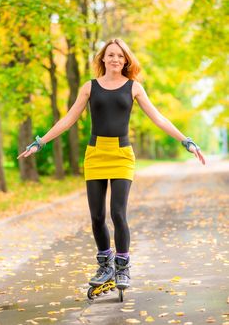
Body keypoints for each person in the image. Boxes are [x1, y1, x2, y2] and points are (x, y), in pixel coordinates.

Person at [17, 38, 206, 290]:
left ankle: (123, 266)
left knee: (118, 212)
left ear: (125, 60)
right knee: (96, 216)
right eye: (111, 55)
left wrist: (187, 142)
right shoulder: (89, 87)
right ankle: (105, 264)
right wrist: (39, 143)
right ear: (103, 59)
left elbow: (158, 118)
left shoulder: (134, 87)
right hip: (95, 154)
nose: (115, 59)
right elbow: (69, 119)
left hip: (122, 155)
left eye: (120, 56)